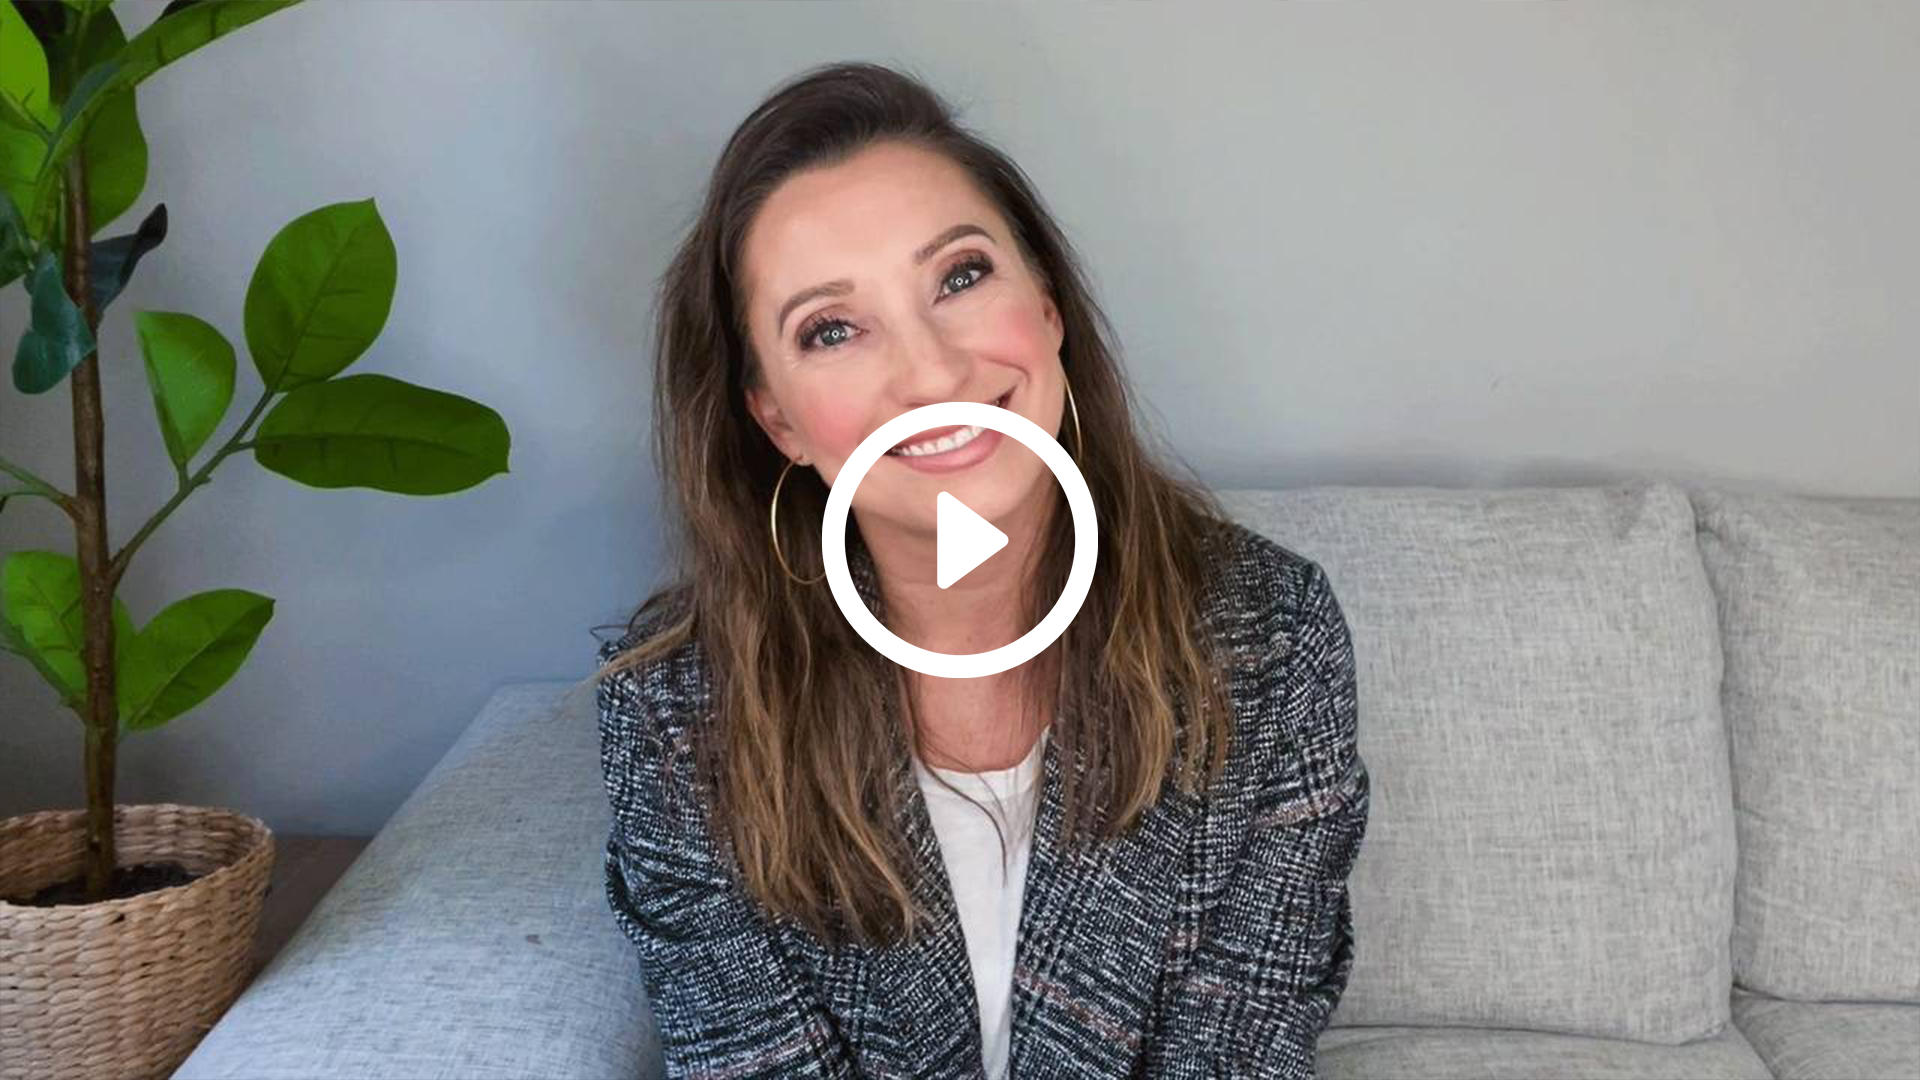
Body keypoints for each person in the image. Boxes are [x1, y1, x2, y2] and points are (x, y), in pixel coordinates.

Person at [590, 59, 1370, 1080]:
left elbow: (1238, 1049)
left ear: (1046, 306)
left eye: (959, 277)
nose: (932, 373)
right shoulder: (675, 718)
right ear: (778, 420)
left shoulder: (1272, 641)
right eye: (832, 329)